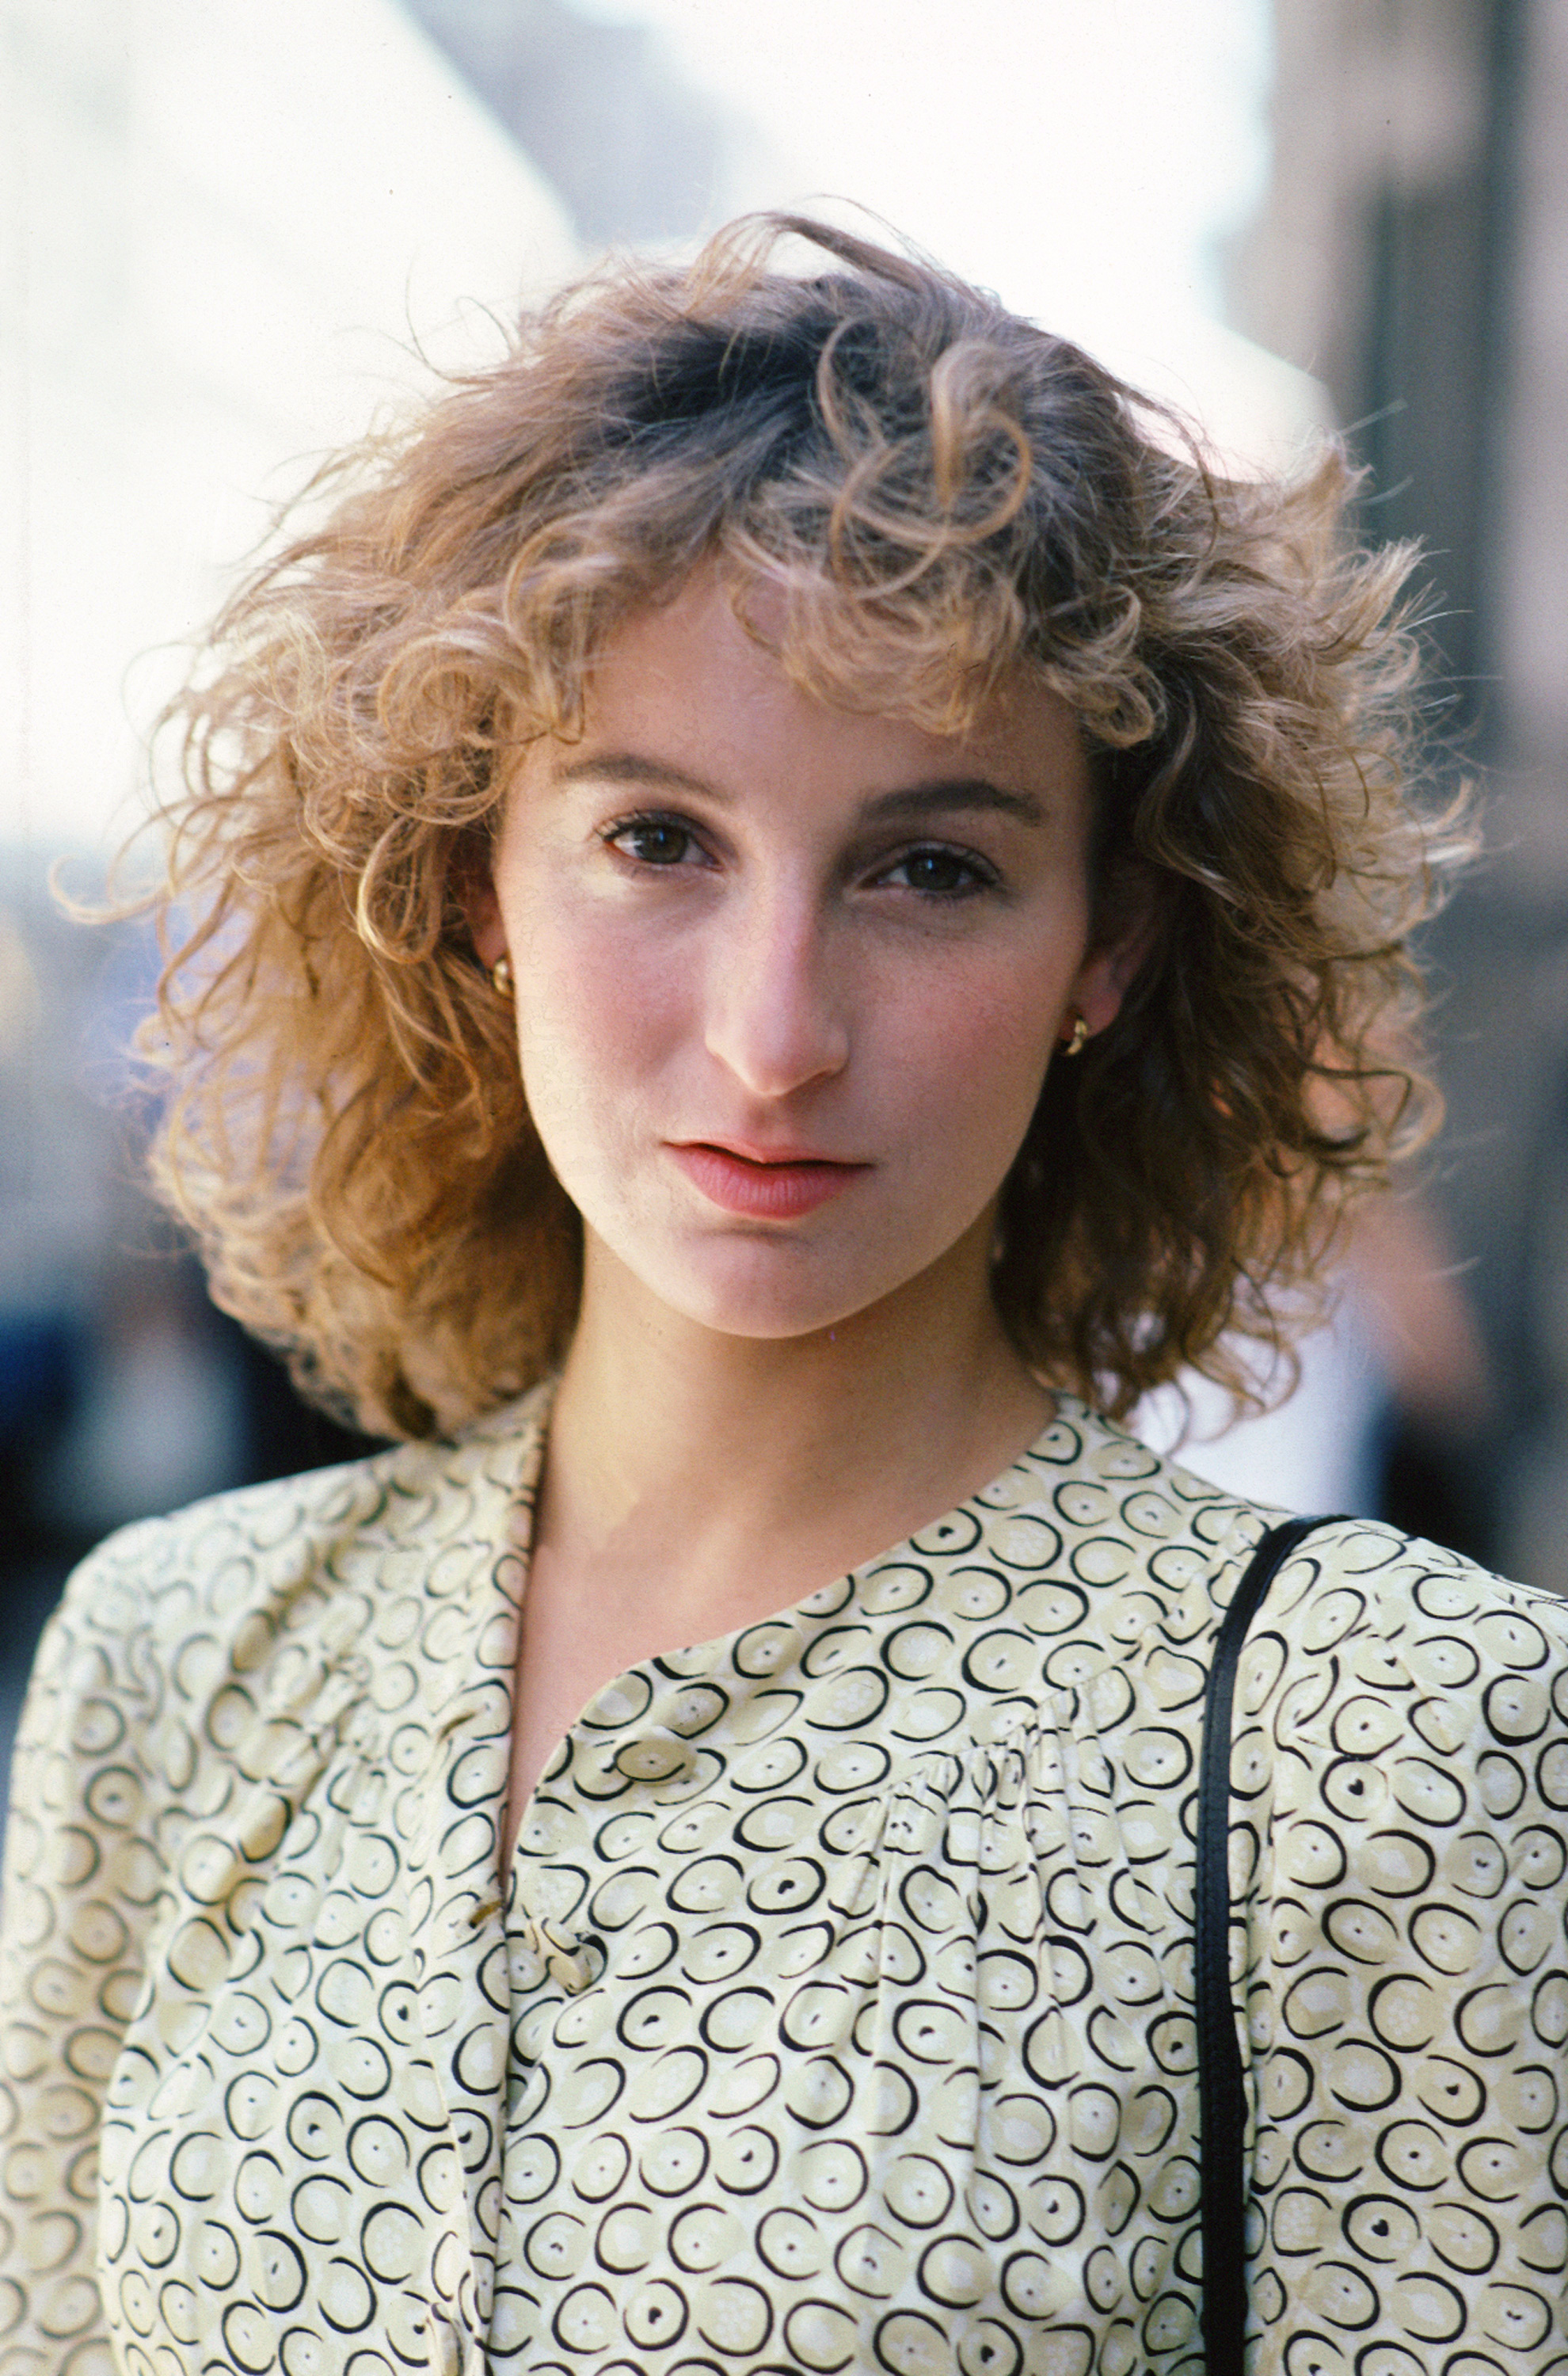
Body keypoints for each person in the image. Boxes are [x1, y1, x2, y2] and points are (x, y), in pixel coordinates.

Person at [2, 214, 1558, 2376]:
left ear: (1106, 943)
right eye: (658, 840)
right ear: (474, 886)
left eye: (929, 868)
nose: (772, 1034)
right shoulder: (173, 1660)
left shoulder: (1389, 1745)